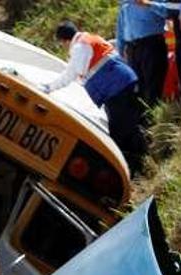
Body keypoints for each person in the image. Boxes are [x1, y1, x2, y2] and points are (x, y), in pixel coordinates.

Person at [41, 21, 148, 176]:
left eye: (62, 44)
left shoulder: (79, 47)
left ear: (64, 41)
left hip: (116, 88)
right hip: (122, 84)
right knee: (130, 124)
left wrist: (49, 88)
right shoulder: (89, 38)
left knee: (120, 132)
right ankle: (141, 162)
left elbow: (74, 72)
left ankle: (134, 169)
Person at [117, 0, 169, 107]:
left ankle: (152, 119)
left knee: (152, 85)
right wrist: (120, 49)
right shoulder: (125, 2)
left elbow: (168, 11)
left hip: (151, 44)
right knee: (136, 86)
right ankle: (140, 120)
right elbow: (121, 26)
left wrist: (148, 4)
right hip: (132, 48)